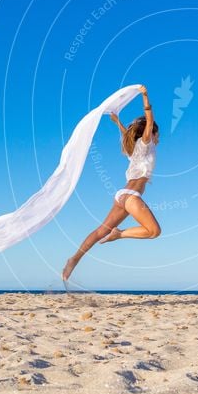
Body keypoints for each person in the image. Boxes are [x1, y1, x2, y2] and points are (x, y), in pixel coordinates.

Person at [62, 84, 161, 281]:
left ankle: (74, 259)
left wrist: (117, 122)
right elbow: (149, 119)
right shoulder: (146, 143)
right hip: (132, 198)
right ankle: (119, 234)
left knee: (100, 230)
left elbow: (127, 135)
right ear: (150, 134)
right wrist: (145, 94)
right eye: (156, 133)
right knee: (154, 231)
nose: (157, 137)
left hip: (122, 196)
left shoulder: (134, 151)